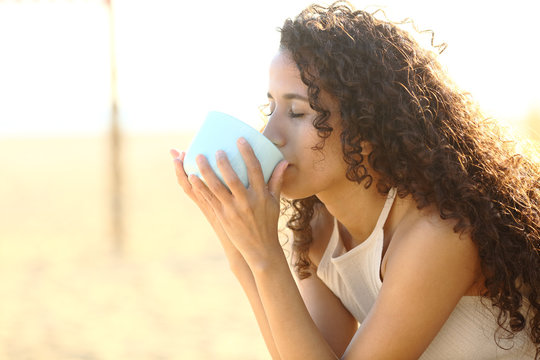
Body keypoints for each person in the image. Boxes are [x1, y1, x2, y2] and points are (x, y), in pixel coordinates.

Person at [170, 1, 539, 358]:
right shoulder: (318, 230)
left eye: (297, 112)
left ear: (365, 126)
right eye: (272, 108)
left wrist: (265, 255)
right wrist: (240, 246)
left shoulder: (438, 233)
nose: (270, 134)